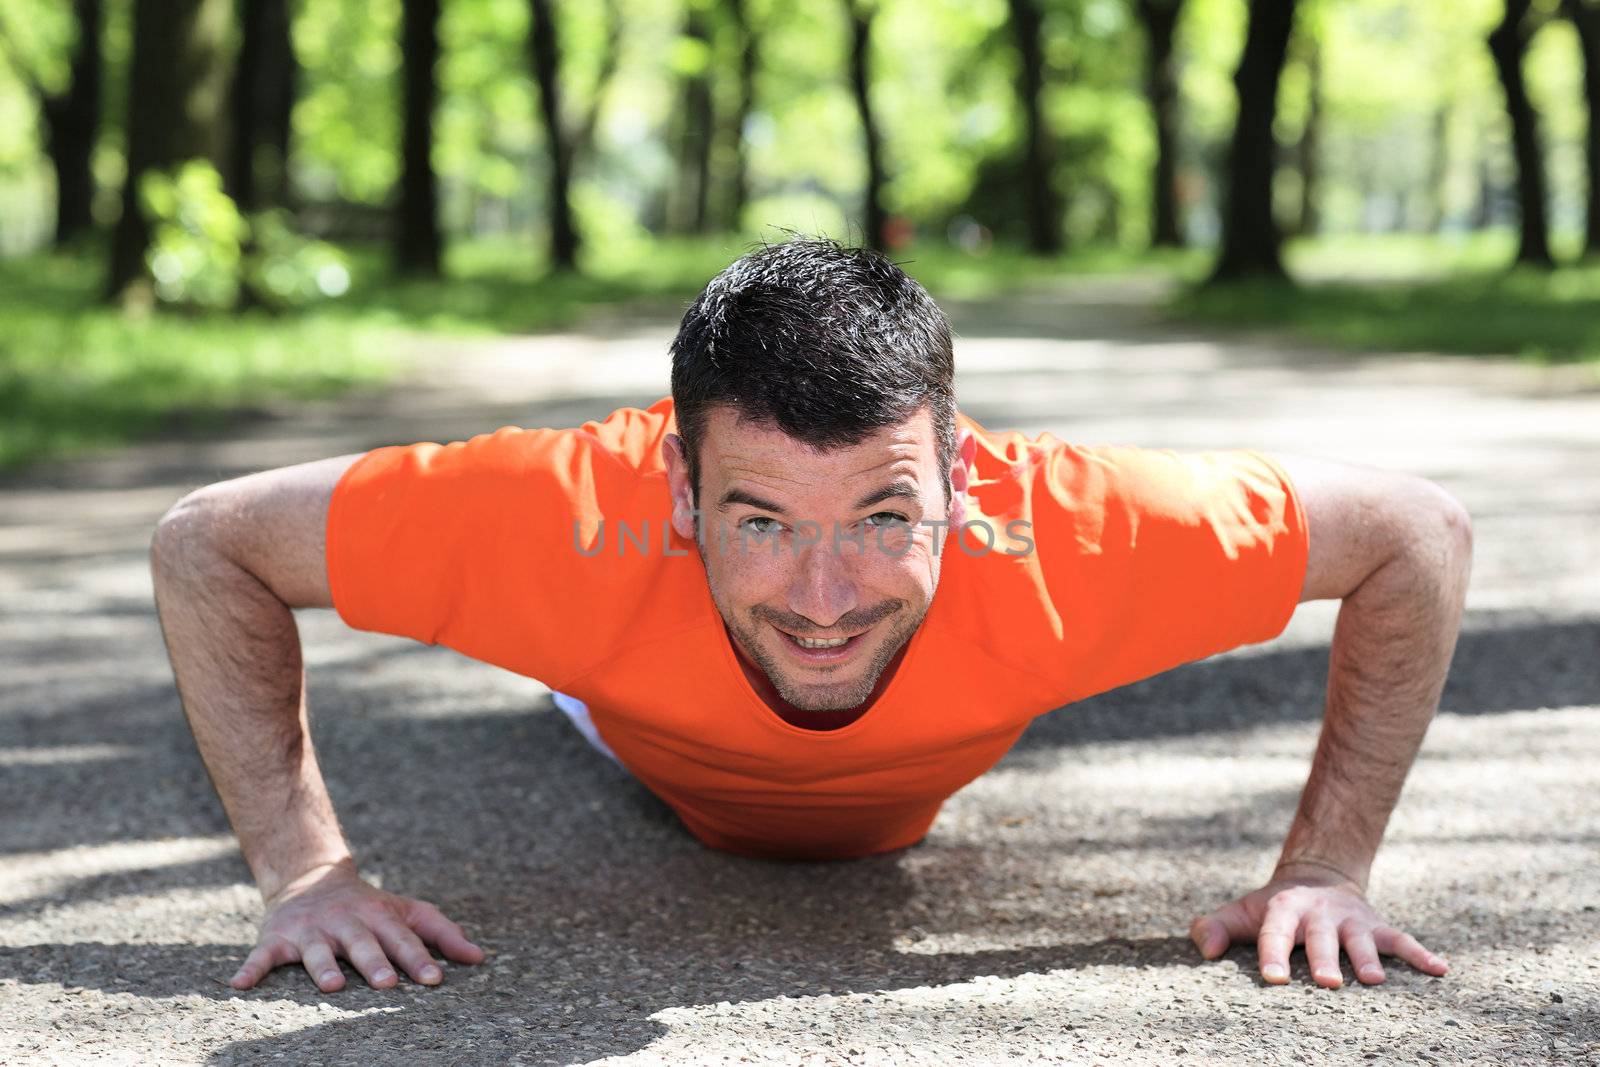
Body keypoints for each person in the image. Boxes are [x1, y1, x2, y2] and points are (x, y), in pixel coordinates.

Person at [149, 238, 1471, 997]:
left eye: (886, 516)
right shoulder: (560, 517)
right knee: (581, 665)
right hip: (622, 703)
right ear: (678, 486)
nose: (825, 601)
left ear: (964, 476)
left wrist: (1323, 873)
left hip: (965, 698)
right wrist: (308, 879)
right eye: (762, 518)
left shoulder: (1078, 530)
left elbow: (1416, 533)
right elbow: (209, 542)